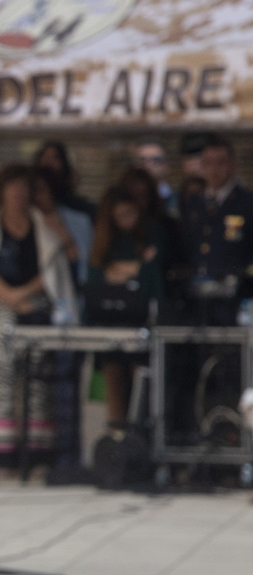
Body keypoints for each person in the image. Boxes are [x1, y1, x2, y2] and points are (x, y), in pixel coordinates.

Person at [0, 165, 78, 462]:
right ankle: (0, 453)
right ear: (3, 193)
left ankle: (36, 452)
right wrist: (8, 296)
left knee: (38, 378)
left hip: (36, 301)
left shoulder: (44, 227)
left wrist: (24, 295)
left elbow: (52, 270)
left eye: (24, 188)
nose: (18, 194)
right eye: (13, 188)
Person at [84, 186, 166, 426]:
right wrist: (136, 267)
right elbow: (99, 275)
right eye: (120, 216)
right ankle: (117, 438)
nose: (126, 221)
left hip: (143, 323)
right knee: (115, 382)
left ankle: (141, 436)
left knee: (142, 384)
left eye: (130, 213)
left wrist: (126, 269)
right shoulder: (106, 241)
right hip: (111, 325)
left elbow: (151, 274)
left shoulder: (152, 233)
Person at [179, 134, 253, 327]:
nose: (214, 169)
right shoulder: (193, 203)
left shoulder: (246, 203)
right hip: (196, 299)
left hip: (235, 298)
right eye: (208, 163)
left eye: (221, 162)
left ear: (233, 164)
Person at [33, 140, 95, 221]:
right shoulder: (31, 205)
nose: (49, 161)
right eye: (45, 156)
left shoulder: (80, 209)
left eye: (55, 157)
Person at [132, 138, 178, 217]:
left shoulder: (178, 201)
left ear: (167, 166)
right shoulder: (128, 202)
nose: (148, 165)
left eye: (156, 160)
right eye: (142, 160)